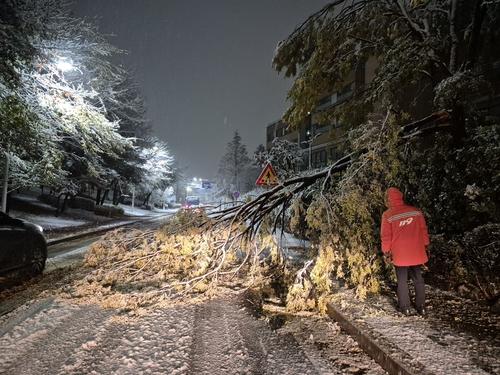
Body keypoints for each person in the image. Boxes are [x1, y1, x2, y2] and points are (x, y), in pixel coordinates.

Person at [380, 187, 430, 316]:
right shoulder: (415, 211)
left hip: (400, 253)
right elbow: (423, 229)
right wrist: (425, 244)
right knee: (418, 278)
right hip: (415, 251)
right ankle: (422, 306)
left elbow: (386, 236)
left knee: (402, 280)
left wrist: (386, 251)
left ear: (388, 199)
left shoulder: (388, 215)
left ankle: (405, 307)